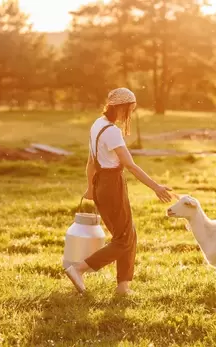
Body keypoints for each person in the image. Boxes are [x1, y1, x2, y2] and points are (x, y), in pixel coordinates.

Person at [65, 88, 172, 295]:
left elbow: (91, 162)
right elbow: (130, 165)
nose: (130, 115)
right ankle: (79, 269)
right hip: (112, 184)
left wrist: (90, 187)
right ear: (122, 107)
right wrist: (156, 187)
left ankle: (123, 286)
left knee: (128, 234)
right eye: (130, 110)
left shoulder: (98, 125)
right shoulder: (112, 132)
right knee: (123, 239)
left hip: (100, 183)